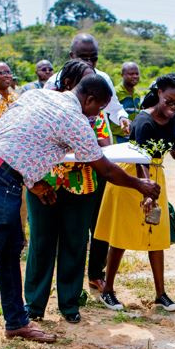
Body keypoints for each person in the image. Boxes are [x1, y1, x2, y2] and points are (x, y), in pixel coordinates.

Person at [0, 75, 161, 349]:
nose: (98, 115)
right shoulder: (75, 119)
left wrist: (33, 181)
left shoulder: (39, 96)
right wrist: (140, 185)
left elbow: (14, 137)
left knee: (9, 251)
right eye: (100, 108)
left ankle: (16, 322)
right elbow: (105, 169)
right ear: (90, 99)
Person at [96, 74, 175, 312]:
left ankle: (161, 294)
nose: (173, 107)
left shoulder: (171, 116)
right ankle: (107, 290)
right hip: (132, 179)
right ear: (159, 93)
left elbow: (169, 147)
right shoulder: (143, 121)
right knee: (121, 236)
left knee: (157, 237)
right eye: (169, 101)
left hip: (155, 177)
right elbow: (140, 160)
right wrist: (146, 191)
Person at [48, 33, 132, 292]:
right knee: (69, 231)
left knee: (100, 221)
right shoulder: (54, 82)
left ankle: (96, 272)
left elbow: (114, 108)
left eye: (93, 57)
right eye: (84, 57)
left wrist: (122, 118)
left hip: (99, 154)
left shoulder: (103, 78)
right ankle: (61, 283)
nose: (90, 62)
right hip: (65, 168)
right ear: (71, 56)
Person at [22, 60, 104, 324]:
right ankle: (34, 304)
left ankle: (70, 304)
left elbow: (103, 141)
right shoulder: (46, 105)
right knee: (41, 243)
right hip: (44, 183)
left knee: (75, 243)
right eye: (85, 80)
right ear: (69, 84)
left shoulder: (94, 109)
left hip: (82, 185)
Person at [112, 61, 143, 143]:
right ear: (122, 75)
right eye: (131, 74)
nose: (135, 76)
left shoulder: (137, 94)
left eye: (137, 74)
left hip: (132, 138)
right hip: (117, 138)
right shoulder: (115, 92)